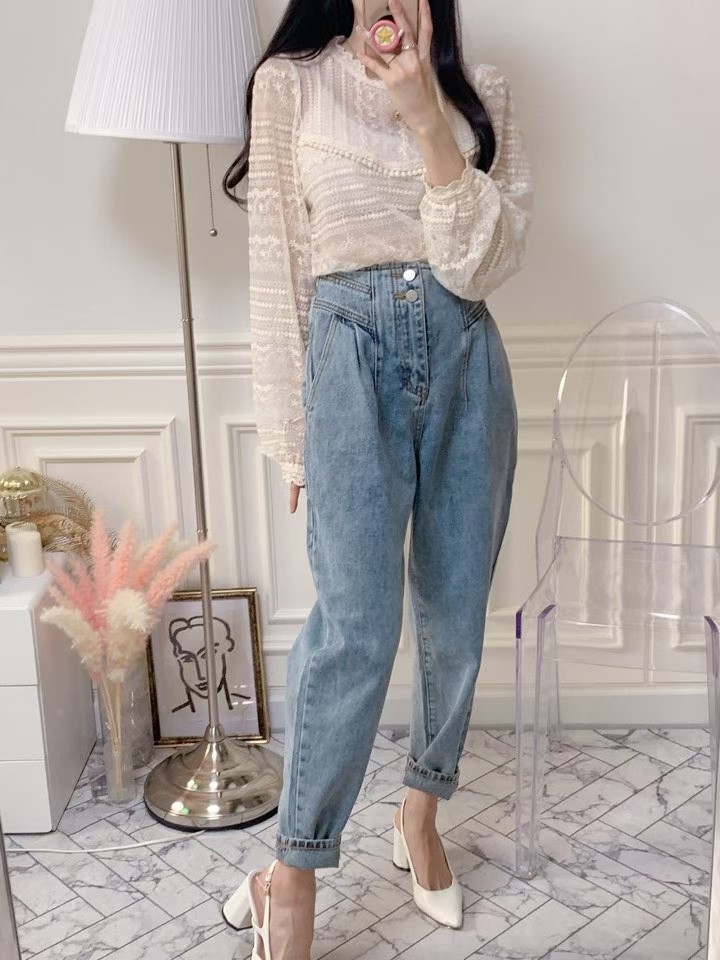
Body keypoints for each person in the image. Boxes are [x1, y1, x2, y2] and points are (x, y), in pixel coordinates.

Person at [222, 0, 533, 954]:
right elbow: (278, 267)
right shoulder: (291, 85)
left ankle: (420, 814)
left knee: (455, 615)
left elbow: (485, 264)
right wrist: (293, 437)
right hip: (347, 367)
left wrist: (429, 116)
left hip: (467, 358)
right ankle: (293, 873)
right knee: (354, 630)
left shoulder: (483, 94)